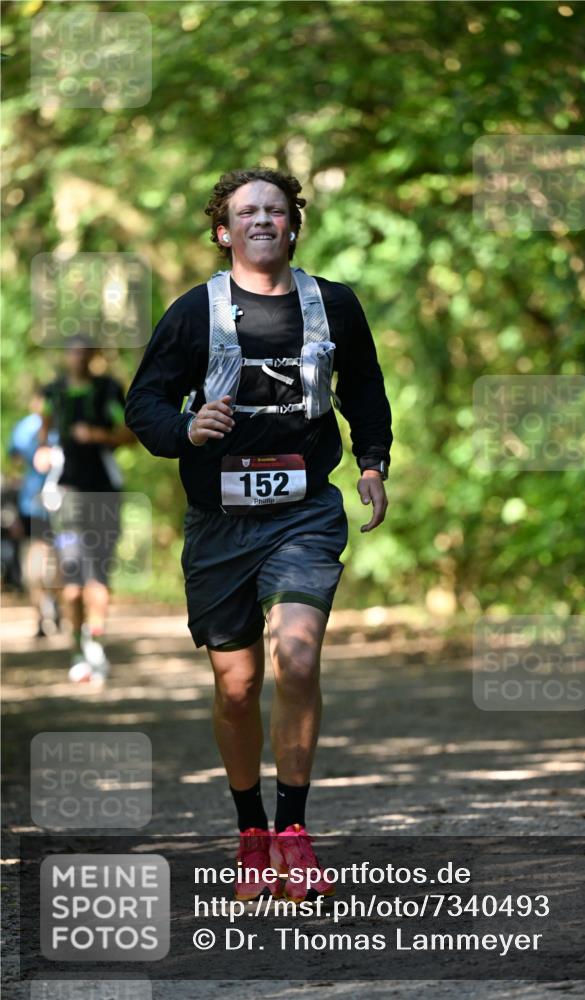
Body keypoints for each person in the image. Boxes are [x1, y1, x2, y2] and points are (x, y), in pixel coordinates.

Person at [125, 167, 392, 902]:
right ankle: (251, 834)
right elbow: (143, 402)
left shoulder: (333, 305)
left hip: (304, 510)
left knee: (297, 659)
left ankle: (295, 833)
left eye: (276, 210)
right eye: (248, 212)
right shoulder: (192, 312)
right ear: (223, 230)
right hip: (219, 523)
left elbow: (363, 389)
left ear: (294, 225)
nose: (264, 220)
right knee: (237, 687)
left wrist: (371, 462)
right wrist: (186, 427)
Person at [39, 336, 135, 684]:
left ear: (93, 356)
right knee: (72, 583)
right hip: (65, 494)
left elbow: (128, 434)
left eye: (84, 351)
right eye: (72, 350)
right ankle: (78, 648)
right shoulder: (53, 394)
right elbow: (44, 433)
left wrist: (96, 435)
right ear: (66, 355)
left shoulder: (107, 390)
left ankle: (95, 642)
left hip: (104, 492)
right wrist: (42, 453)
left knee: (98, 576)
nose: (77, 357)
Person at [7, 390, 61, 636]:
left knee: (40, 558)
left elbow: (14, 467)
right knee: (50, 558)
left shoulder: (23, 428)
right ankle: (49, 610)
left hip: (35, 503)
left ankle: (45, 612)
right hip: (48, 503)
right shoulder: (58, 424)